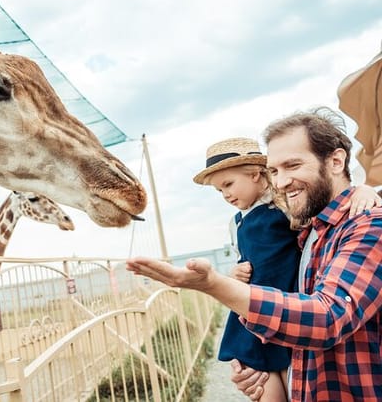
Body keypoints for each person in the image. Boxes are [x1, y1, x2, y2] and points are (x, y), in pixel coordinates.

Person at [127, 110, 382, 402]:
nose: (282, 181)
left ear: (337, 161)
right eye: (274, 171)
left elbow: (328, 318)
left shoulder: (369, 225)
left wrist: (214, 285)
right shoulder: (309, 230)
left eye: (292, 165)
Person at [192, 137, 299, 401]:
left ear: (254, 174)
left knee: (298, 387)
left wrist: (363, 192)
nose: (226, 194)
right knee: (263, 386)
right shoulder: (236, 222)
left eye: (228, 184)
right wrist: (234, 273)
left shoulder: (286, 205)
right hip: (252, 311)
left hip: (289, 308)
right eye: (219, 191)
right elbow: (245, 258)